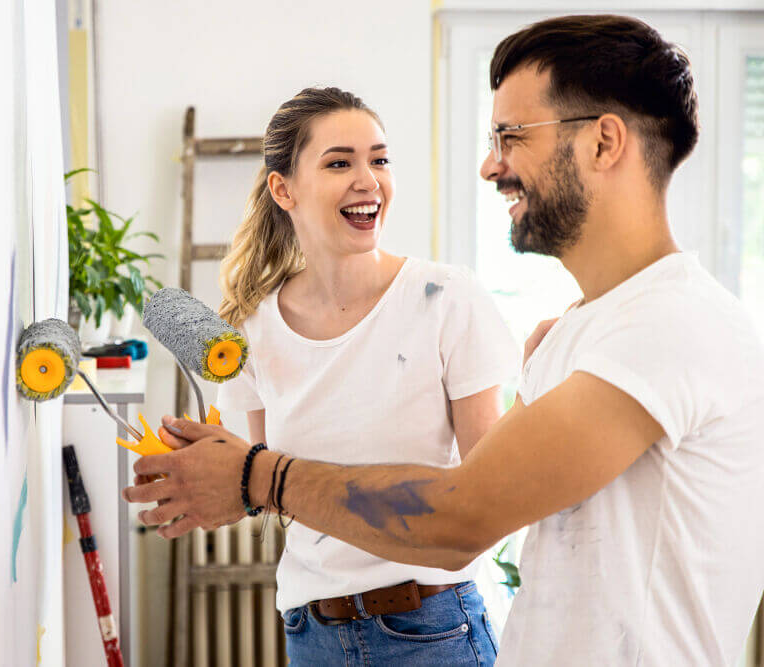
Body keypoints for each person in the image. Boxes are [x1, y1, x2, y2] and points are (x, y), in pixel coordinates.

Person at [125, 15, 764, 665]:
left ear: (603, 144)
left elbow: (463, 514)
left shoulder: (668, 326)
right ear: (282, 191)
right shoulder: (581, 332)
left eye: (512, 136)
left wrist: (256, 474)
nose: (491, 165)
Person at [154, 86, 518, 664]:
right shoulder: (251, 329)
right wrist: (212, 476)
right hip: (312, 634)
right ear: (284, 189)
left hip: (433, 630)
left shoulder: (446, 298)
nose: (368, 179)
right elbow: (265, 484)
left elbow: (491, 500)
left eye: (379, 159)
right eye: (339, 162)